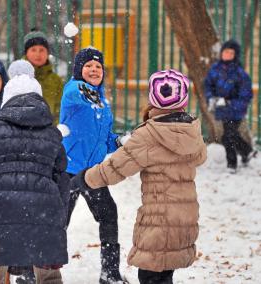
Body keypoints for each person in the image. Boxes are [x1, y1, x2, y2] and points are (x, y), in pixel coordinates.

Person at [71, 69, 207, 284]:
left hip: (159, 220)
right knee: (164, 274)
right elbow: (200, 157)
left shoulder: (149, 135)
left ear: (153, 99)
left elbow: (115, 169)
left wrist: (84, 178)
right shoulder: (191, 130)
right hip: (185, 218)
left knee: (150, 275)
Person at [0, 60, 69, 284]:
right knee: (49, 276)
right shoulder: (52, 135)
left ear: (7, 99)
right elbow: (62, 182)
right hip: (45, 211)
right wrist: (58, 219)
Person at [59, 47, 123, 283]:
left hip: (93, 173)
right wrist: (89, 90)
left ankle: (110, 273)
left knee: (109, 215)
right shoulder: (73, 90)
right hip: (67, 170)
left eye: (98, 67)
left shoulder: (103, 103)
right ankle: (35, 272)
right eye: (88, 66)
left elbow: (106, 139)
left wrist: (119, 141)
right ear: (79, 71)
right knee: (57, 222)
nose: (94, 70)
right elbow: (77, 92)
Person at [204, 39, 256, 172]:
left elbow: (246, 95)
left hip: (236, 111)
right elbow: (208, 85)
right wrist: (211, 98)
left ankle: (232, 164)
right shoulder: (215, 69)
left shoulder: (240, 73)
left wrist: (229, 102)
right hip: (222, 110)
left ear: (235, 55)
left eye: (231, 53)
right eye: (225, 52)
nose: (227, 55)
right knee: (229, 135)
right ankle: (246, 152)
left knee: (228, 136)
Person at [24, 29, 63, 124]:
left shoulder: (56, 81)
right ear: (26, 53)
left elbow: (60, 111)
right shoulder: (18, 78)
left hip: (48, 134)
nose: (38, 54)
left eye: (42, 50)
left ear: (47, 53)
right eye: (33, 50)